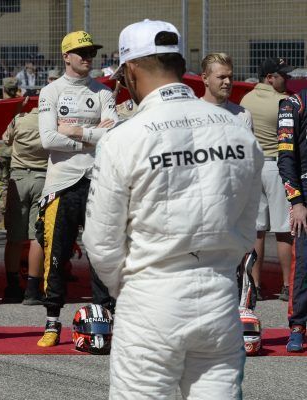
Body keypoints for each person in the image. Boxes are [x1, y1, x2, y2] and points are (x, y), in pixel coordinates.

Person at [85, 19, 262, 398]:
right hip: (219, 296)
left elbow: (100, 242)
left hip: (150, 297)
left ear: (131, 69)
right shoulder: (237, 131)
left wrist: (131, 288)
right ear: (180, 65)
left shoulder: (123, 138)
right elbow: (248, 223)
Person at [35, 30, 117, 347]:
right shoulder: (51, 92)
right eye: (82, 52)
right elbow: (48, 139)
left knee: (101, 253)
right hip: (62, 183)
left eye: (91, 52)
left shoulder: (103, 92)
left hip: (98, 181)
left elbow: (113, 135)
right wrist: (92, 135)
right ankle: (52, 322)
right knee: (56, 255)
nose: (88, 57)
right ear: (66, 56)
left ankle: (104, 316)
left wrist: (74, 131)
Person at [240, 57, 294, 301]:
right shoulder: (284, 101)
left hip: (253, 168)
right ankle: (287, 286)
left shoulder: (246, 100)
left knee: (257, 231)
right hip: (277, 166)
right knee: (283, 230)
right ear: (270, 78)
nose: (288, 79)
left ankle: (255, 286)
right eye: (284, 75)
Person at [2, 96, 49, 305]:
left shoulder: (19, 119)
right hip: (42, 177)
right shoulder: (52, 120)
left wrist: (17, 112)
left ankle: (13, 287)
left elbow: (6, 139)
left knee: (14, 236)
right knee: (37, 236)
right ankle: (32, 289)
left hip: (19, 178)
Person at [276, 81, 307, 352]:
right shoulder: (293, 104)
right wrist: (296, 201)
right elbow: (285, 158)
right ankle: (297, 325)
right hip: (304, 195)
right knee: (304, 262)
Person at [0, 77, 21, 233]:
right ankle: (16, 217)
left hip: (1, 152)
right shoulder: (22, 105)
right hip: (17, 150)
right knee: (16, 184)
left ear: (3, 89)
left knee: (1, 183)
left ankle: (6, 218)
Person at [200, 53, 253, 129]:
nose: (228, 82)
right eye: (222, 77)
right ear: (205, 78)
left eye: (230, 77)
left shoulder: (243, 115)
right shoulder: (190, 114)